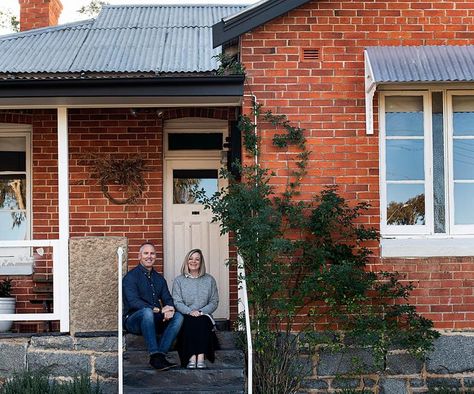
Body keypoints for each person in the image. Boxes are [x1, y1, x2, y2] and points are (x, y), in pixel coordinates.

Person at [123, 242, 183, 371]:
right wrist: (159, 309)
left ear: (155, 256)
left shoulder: (159, 279)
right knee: (146, 312)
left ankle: (159, 356)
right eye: (146, 253)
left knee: (178, 316)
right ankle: (154, 353)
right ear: (139, 256)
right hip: (134, 320)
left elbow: (168, 299)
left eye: (152, 253)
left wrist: (170, 309)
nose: (149, 256)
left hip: (154, 319)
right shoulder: (130, 277)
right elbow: (134, 302)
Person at [172, 248, 219, 369]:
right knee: (189, 322)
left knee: (202, 321)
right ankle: (192, 357)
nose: (194, 261)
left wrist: (201, 312)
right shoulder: (179, 281)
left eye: (197, 259)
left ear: (201, 262)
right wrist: (189, 311)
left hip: (204, 314)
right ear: (186, 261)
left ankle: (201, 357)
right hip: (186, 314)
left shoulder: (209, 280)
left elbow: (214, 301)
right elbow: (177, 302)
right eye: (191, 259)